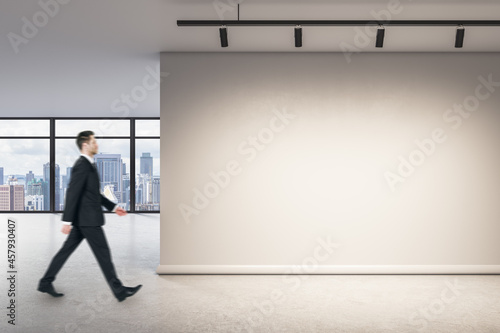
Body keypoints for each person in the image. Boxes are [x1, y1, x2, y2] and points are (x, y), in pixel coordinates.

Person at [38, 130, 141, 302]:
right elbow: (72, 193)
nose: (97, 144)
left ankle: (45, 282)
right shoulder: (82, 165)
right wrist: (66, 220)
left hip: (84, 219)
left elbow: (94, 194)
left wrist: (114, 207)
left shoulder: (89, 165)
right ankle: (119, 291)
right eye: (94, 141)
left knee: (66, 251)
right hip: (88, 220)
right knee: (103, 254)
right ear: (85, 145)